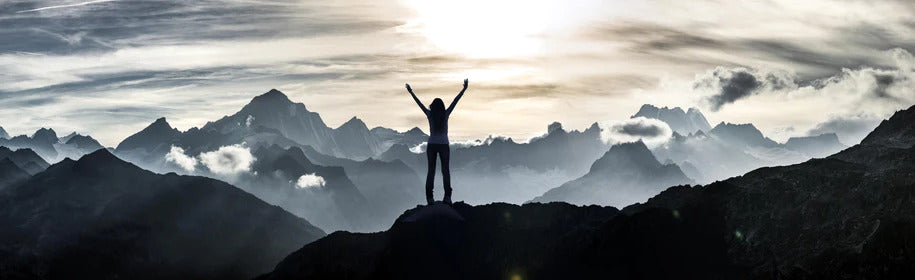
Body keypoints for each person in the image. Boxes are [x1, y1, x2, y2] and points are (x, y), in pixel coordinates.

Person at [406, 79, 468, 205]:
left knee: (431, 171)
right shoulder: (445, 114)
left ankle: (430, 198)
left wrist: (411, 92)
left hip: (432, 145)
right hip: (444, 145)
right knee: (445, 171)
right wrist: (464, 89)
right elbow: (455, 101)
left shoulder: (430, 115)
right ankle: (447, 197)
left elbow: (419, 103)